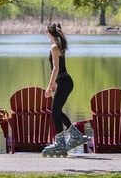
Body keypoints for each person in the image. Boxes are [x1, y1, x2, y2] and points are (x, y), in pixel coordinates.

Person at [41, 21, 89, 158]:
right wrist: (54, 84)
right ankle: (75, 135)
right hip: (64, 82)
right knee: (57, 111)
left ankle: (60, 143)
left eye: (46, 31)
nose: (46, 33)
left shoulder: (54, 47)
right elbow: (58, 69)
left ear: (49, 33)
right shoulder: (60, 45)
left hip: (64, 82)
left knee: (54, 112)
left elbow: (56, 68)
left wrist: (50, 86)